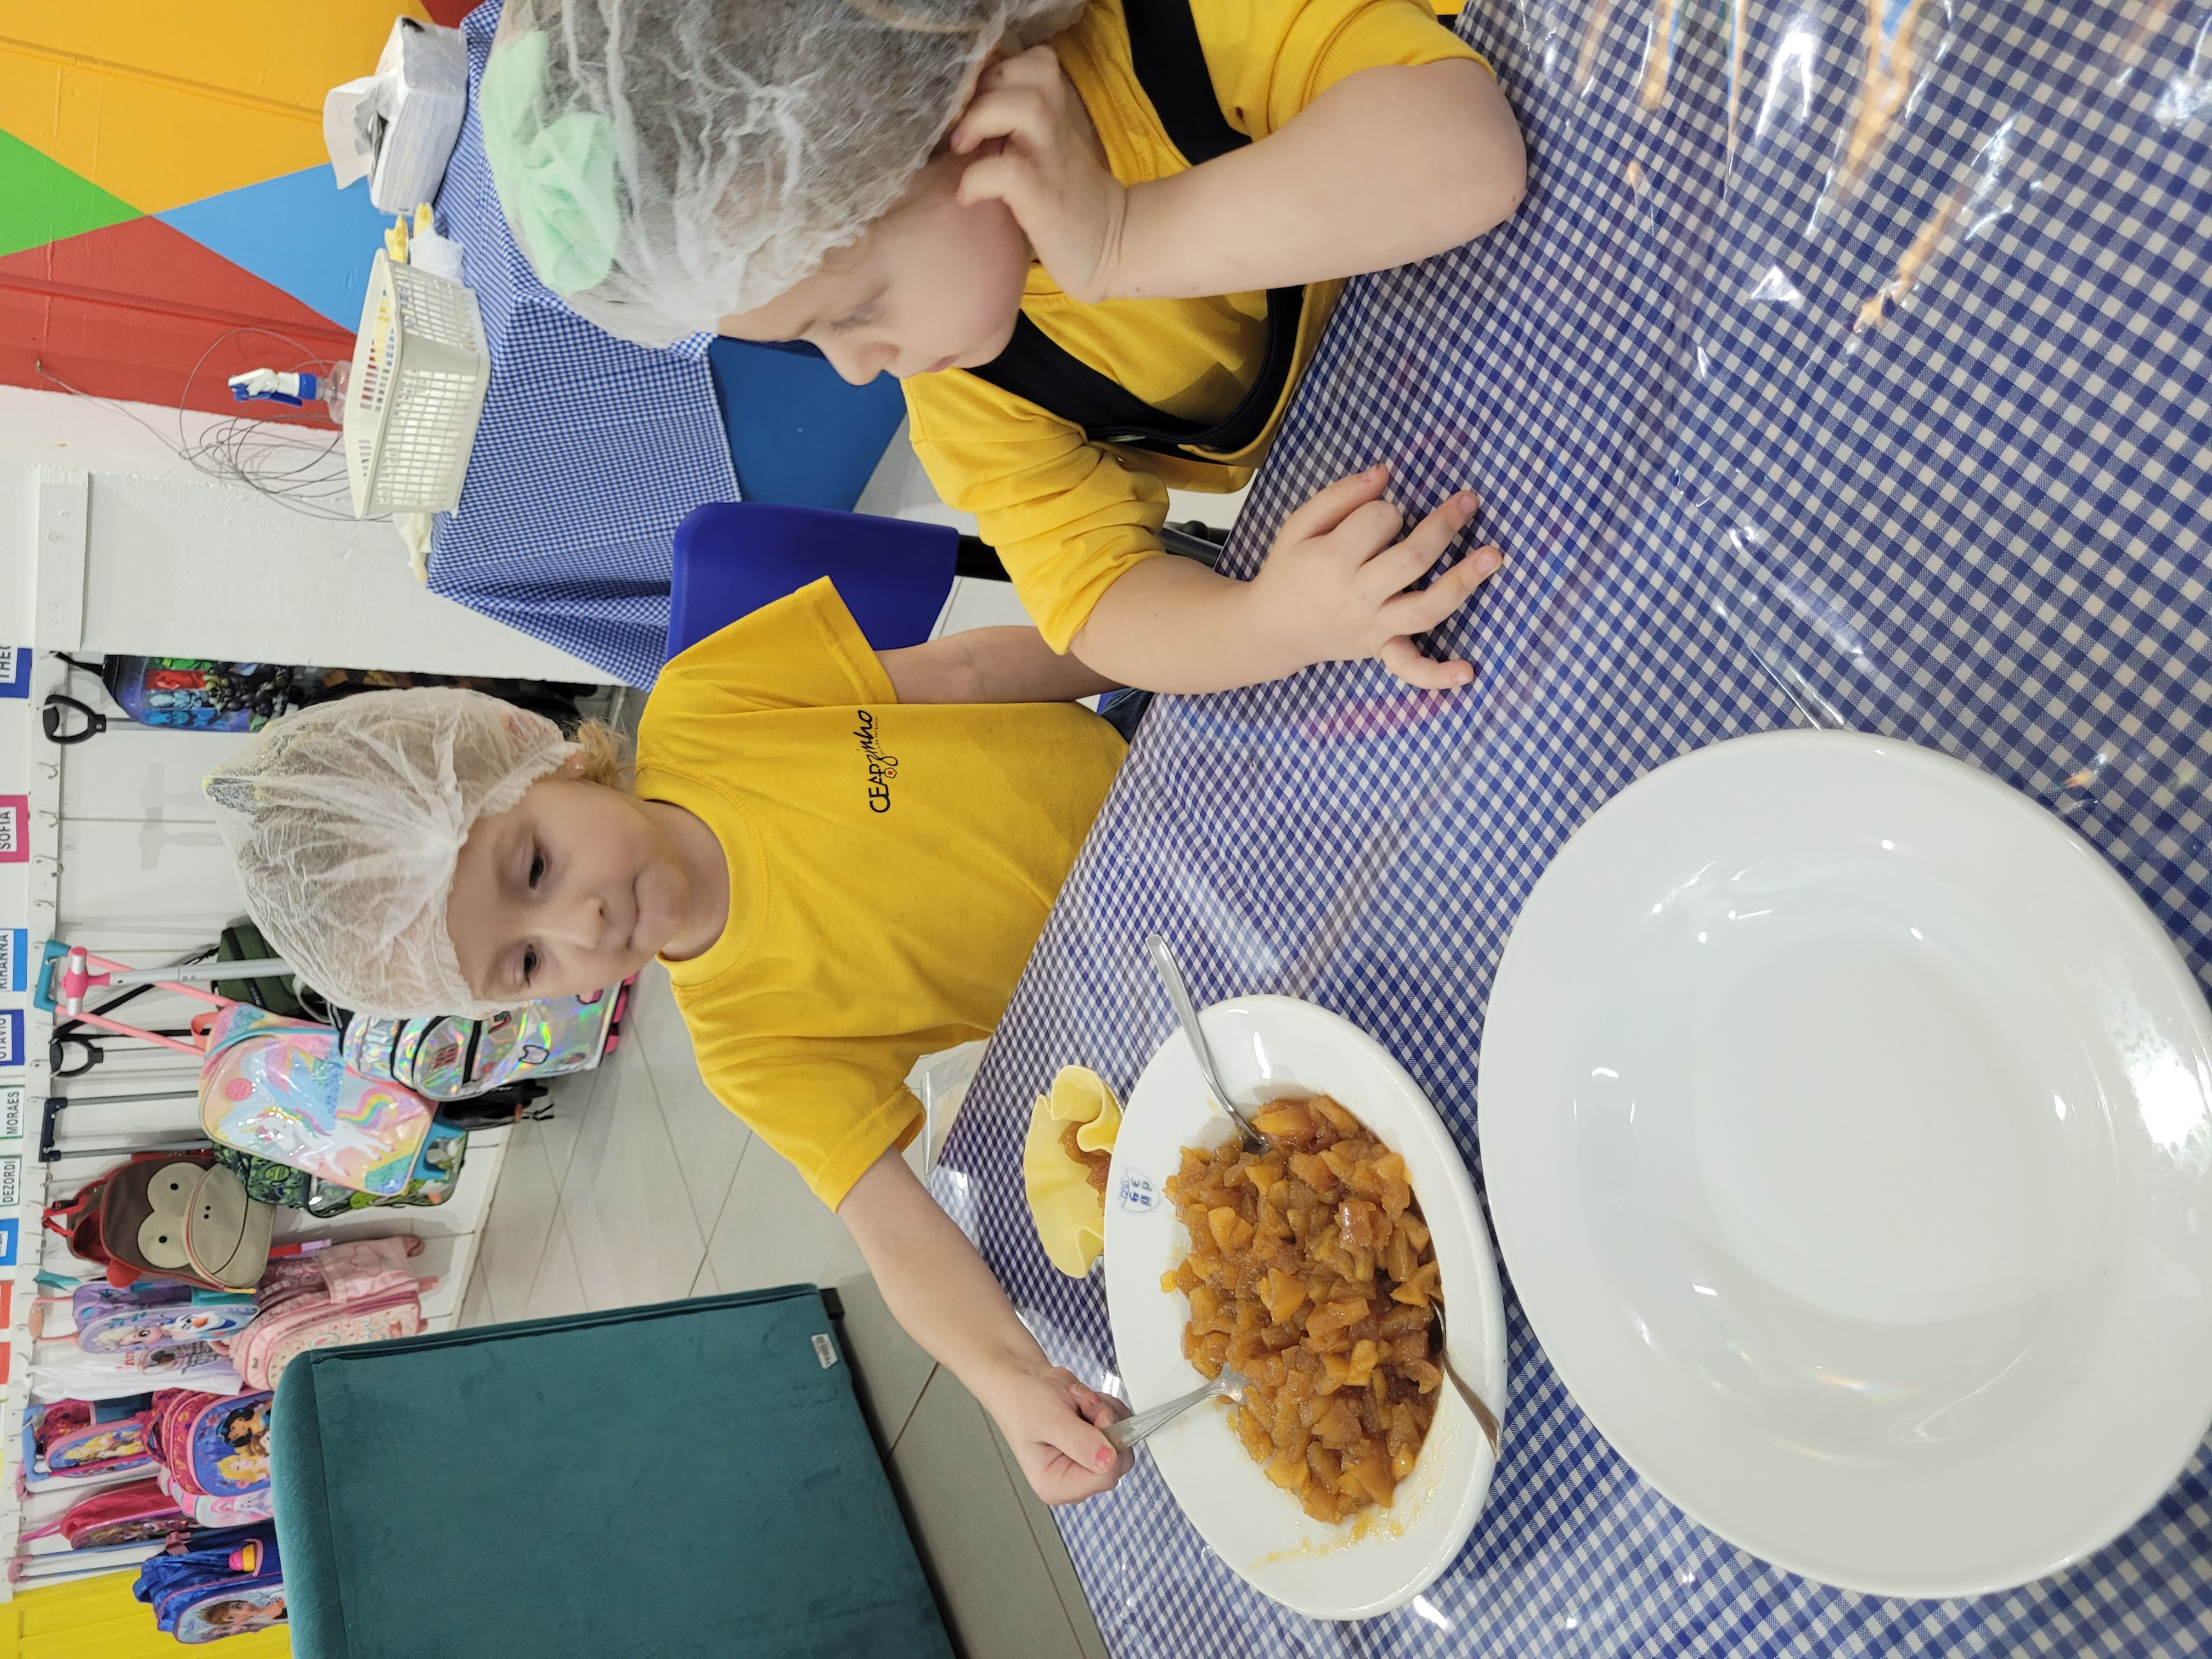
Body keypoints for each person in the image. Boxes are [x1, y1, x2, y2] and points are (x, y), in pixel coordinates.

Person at [201, 520, 1487, 1506]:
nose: (581, 926)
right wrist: (1001, 1376)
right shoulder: (748, 1049)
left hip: (1200, 774)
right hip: (1196, 1004)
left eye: (534, 866)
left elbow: (977, 670)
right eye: (527, 963)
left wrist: (1233, 627)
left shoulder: (710, 702)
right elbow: (890, 1224)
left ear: (540, 754)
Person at [481, 0, 1525, 696]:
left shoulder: (1171, 31)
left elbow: (1468, 156)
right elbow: (1100, 602)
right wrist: (1269, 624)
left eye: (854, 309)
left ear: (965, 105)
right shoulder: (974, 391)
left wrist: (1128, 239)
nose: (856, 367)